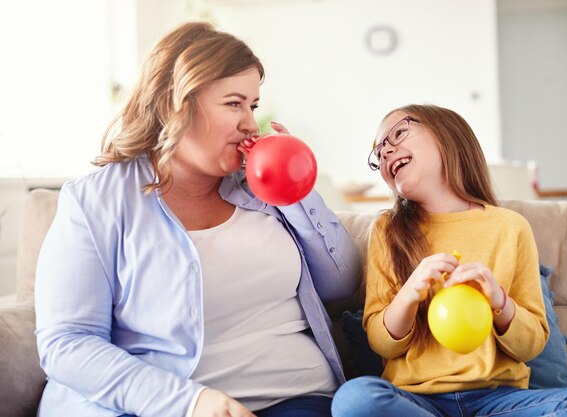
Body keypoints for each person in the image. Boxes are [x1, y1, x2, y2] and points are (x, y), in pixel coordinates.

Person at [34, 22, 360, 417]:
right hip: (165, 406)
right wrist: (190, 402)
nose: (249, 124)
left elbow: (341, 283)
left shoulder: (263, 189)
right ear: (176, 102)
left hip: (298, 396)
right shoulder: (95, 202)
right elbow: (68, 343)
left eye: (252, 106)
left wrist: (296, 189)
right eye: (234, 103)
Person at [330, 104, 567, 417]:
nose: (386, 152)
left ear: (449, 135)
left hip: (499, 400)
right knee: (354, 399)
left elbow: (531, 344)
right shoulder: (388, 231)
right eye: (378, 153)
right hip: (417, 402)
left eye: (398, 133)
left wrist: (498, 300)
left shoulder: (509, 227)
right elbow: (381, 342)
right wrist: (411, 292)